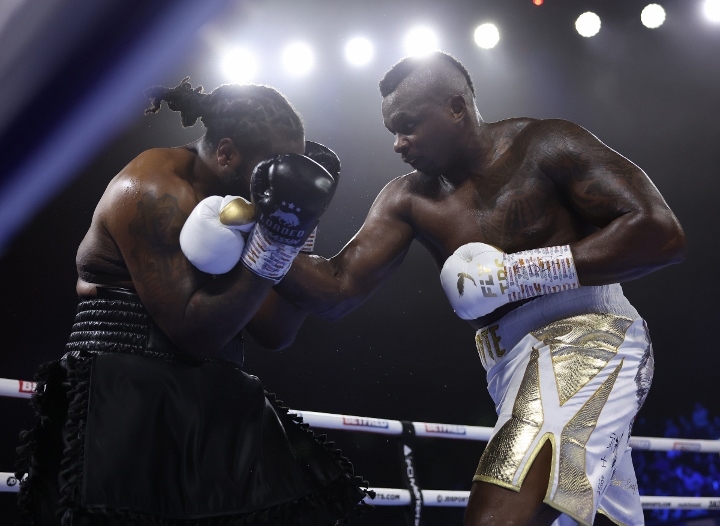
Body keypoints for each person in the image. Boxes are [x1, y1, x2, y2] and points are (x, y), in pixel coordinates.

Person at [266, 51, 686, 526]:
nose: (399, 144)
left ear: (456, 108)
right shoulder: (408, 197)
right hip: (508, 368)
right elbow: (337, 290)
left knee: (497, 514)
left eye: (408, 126)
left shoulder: (543, 145)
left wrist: (517, 273)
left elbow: (660, 233)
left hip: (589, 336)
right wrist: (263, 236)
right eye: (392, 132)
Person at [15, 78, 371, 525]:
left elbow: (274, 331)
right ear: (226, 154)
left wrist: (295, 233)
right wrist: (273, 245)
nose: (280, 178)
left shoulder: (238, 208)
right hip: (125, 396)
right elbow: (193, 332)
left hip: (212, 390)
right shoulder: (152, 188)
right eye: (274, 165)